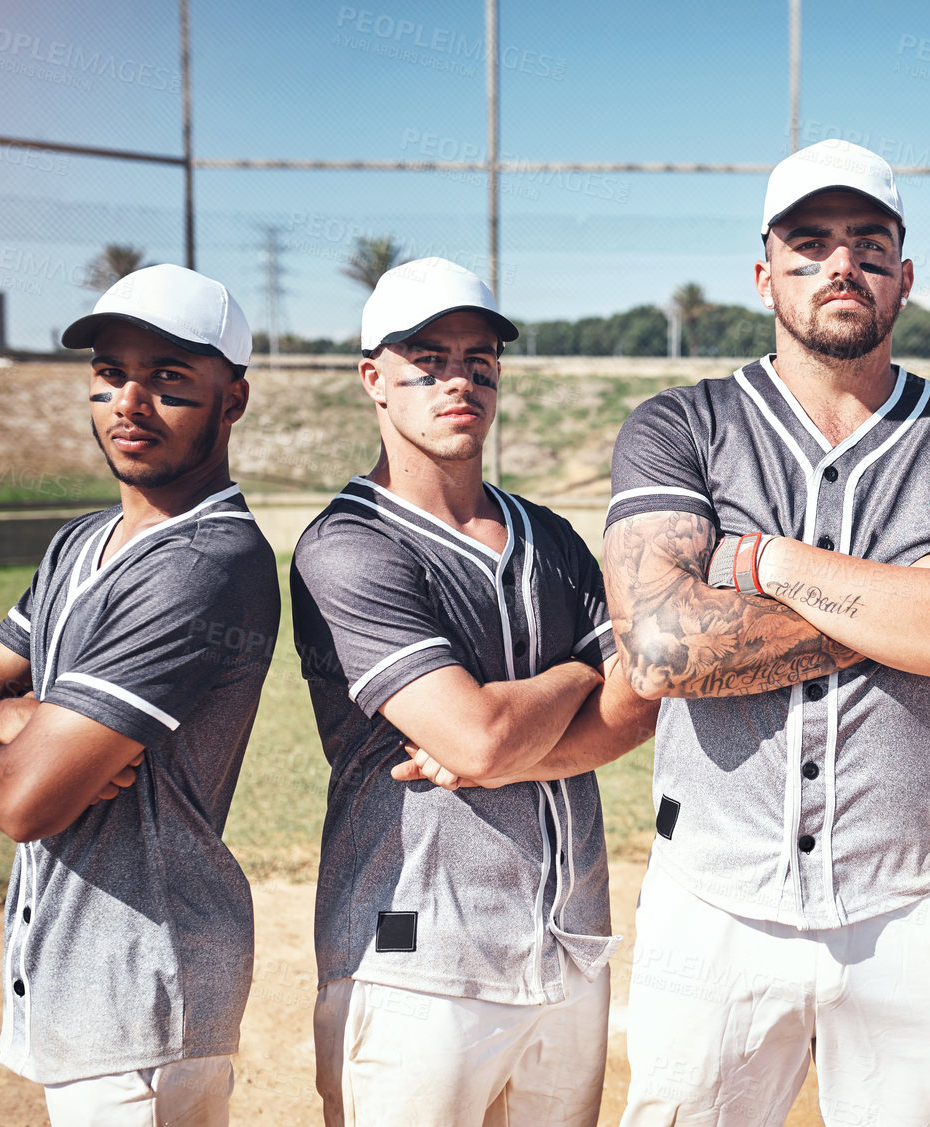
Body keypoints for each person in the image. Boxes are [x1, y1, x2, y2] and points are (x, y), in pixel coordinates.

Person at [604, 138, 930, 1125]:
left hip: (911, 905)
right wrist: (913, 605)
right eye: (809, 244)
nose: (840, 264)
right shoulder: (683, 424)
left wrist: (770, 565)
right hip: (710, 902)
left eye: (868, 243)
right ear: (765, 274)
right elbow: (662, 648)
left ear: (902, 276)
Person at [290, 257, 658, 1126]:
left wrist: (506, 743)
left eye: (478, 357)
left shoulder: (552, 535)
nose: (459, 378)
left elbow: (641, 698)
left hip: (567, 942)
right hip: (415, 956)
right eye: (427, 357)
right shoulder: (346, 545)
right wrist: (578, 674)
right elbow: (476, 737)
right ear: (373, 378)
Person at [0, 264, 277, 1125]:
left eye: (169, 379)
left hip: (144, 989)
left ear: (231, 401)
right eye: (112, 373)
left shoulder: (204, 565)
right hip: (74, 964)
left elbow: (23, 799)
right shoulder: (80, 542)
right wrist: (9, 718)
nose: (130, 401)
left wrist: (5, 739)